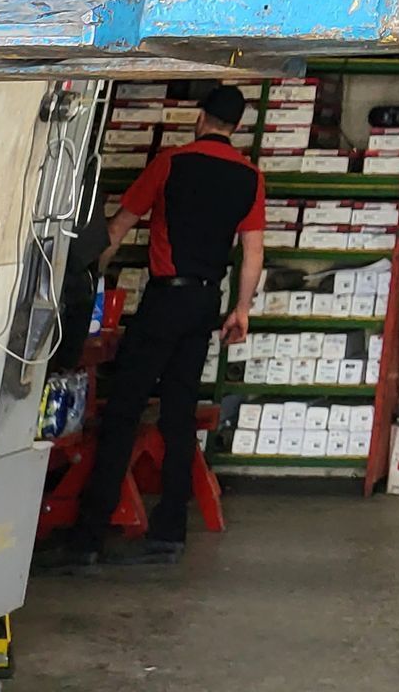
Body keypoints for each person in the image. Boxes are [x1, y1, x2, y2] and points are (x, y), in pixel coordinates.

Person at [57, 82, 265, 566]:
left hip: (164, 299)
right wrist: (241, 309)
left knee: (123, 411)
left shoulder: (170, 163)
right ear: (236, 127)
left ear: (201, 118)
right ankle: (170, 531)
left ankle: (88, 537)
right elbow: (252, 252)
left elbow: (117, 228)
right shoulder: (251, 177)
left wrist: (85, 282)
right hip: (205, 303)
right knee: (178, 415)